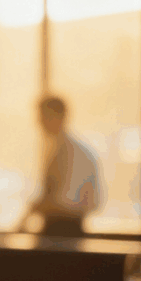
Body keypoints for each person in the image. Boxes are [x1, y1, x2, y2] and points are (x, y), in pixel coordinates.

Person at [20, 95, 103, 237]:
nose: (39, 122)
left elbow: (65, 201)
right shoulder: (59, 149)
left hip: (64, 230)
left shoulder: (72, 153)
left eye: (44, 116)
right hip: (57, 228)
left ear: (60, 116)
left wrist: (35, 209)